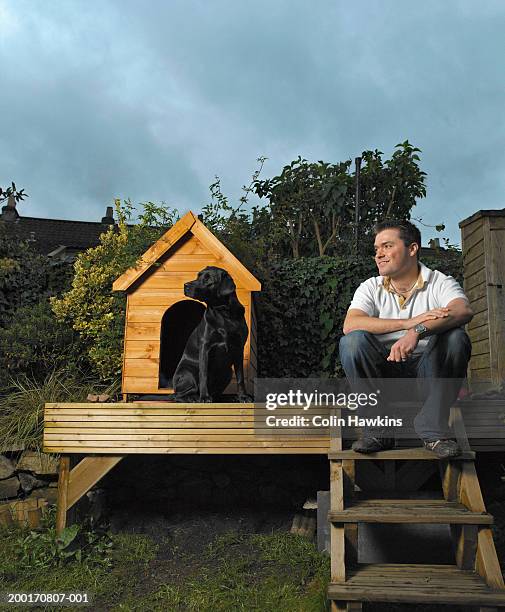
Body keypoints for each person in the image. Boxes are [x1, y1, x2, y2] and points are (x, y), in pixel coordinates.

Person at [339, 219, 473, 458]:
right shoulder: (370, 287)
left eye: (387, 246)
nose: (379, 254)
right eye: (376, 249)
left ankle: (434, 433)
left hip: (429, 376)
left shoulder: (440, 282)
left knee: (455, 338)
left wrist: (417, 331)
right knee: (352, 342)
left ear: (412, 249)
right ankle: (379, 431)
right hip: (383, 376)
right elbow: (351, 324)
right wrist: (405, 323)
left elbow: (462, 311)